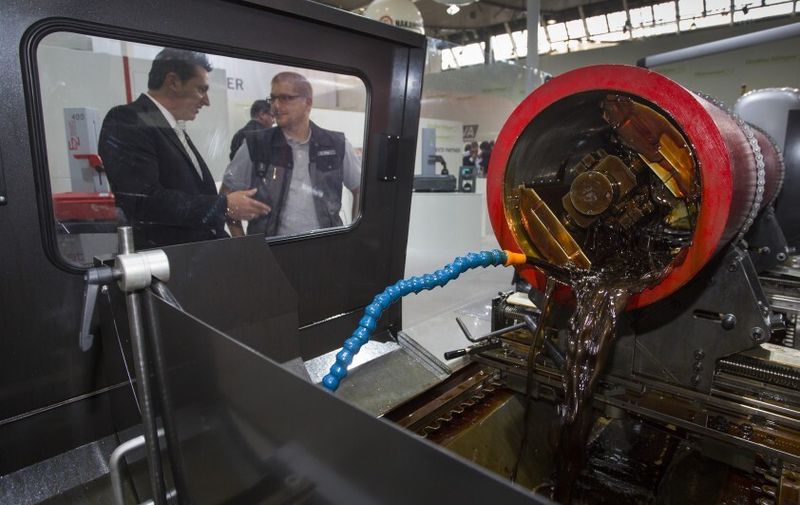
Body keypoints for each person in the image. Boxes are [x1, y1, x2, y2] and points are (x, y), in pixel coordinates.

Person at [99, 48, 267, 248]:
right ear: (173, 82)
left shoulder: (170, 127)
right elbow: (144, 200)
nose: (206, 101)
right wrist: (224, 205)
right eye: (201, 89)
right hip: (168, 259)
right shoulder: (127, 120)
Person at [222, 71, 361, 237]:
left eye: (285, 98)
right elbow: (226, 196)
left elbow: (360, 189)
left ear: (307, 103)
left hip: (326, 247)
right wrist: (244, 245)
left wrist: (354, 236)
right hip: (270, 249)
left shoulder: (337, 144)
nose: (276, 105)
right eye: (273, 98)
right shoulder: (255, 145)